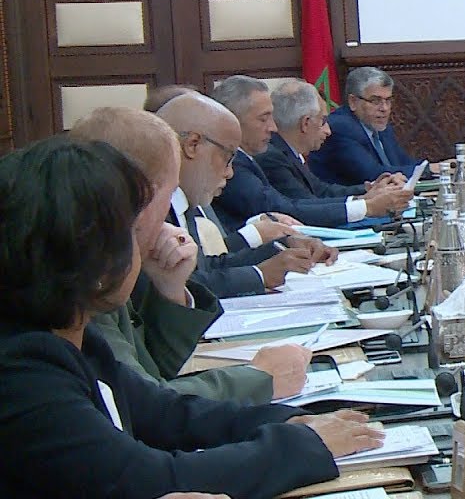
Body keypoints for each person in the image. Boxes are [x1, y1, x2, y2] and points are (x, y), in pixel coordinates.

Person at [0, 136, 384, 498]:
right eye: (134, 232)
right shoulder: (25, 376)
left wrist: (285, 422)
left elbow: (167, 414)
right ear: (94, 261)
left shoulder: (71, 339)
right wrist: (299, 447)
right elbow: (149, 478)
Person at [72, 107, 309, 404]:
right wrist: (260, 378)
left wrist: (170, 290)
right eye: (169, 193)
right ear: (139, 198)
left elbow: (152, 371)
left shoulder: (106, 258)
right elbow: (144, 406)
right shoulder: (86, 276)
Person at [158, 93, 331, 298]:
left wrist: (283, 247)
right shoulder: (152, 207)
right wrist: (259, 275)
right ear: (193, 145)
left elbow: (207, 266)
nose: (230, 173)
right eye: (228, 157)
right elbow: (185, 284)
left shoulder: (182, 200)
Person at [211, 75, 411, 230]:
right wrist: (367, 206)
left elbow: (320, 190)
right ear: (233, 120)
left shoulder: (251, 157)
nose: (273, 127)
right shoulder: (244, 162)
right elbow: (287, 208)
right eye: (263, 119)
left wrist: (367, 192)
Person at [257, 79, 412, 210]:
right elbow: (308, 207)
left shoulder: (288, 152)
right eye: (323, 121)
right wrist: (366, 205)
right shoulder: (272, 157)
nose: (328, 131)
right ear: (305, 123)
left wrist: (370, 189)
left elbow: (322, 191)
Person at [309, 67, 447, 185]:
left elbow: (403, 163)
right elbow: (374, 174)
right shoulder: (340, 127)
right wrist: (430, 169)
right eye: (375, 101)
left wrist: (439, 168)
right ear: (353, 102)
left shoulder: (379, 126)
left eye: (388, 100)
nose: (384, 108)